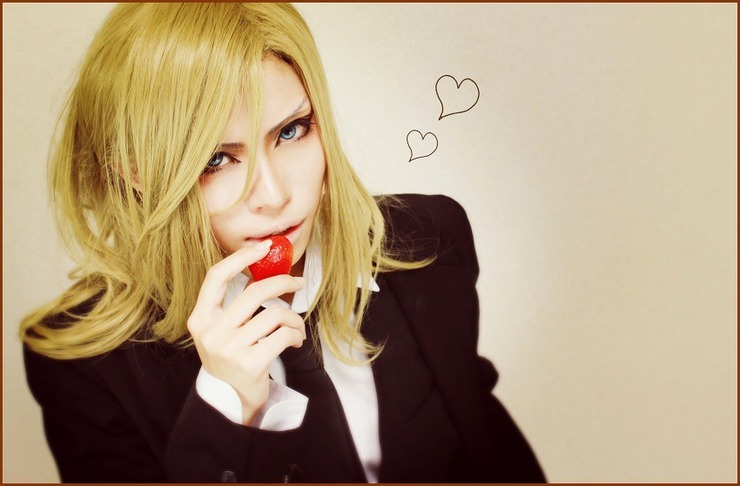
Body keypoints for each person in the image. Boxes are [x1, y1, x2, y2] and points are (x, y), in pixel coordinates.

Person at [20, 3, 546, 483]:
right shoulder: (82, 362)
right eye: (216, 159)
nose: (274, 196)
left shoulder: (428, 239)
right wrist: (227, 409)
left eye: (291, 131)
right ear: (135, 174)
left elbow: (483, 438)